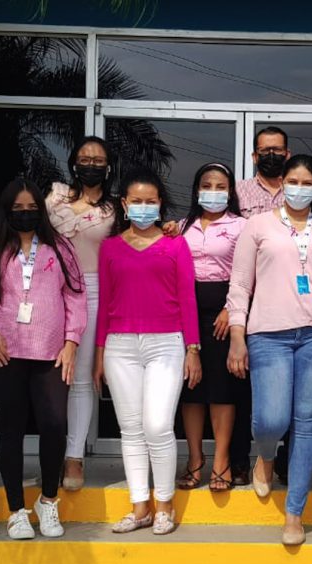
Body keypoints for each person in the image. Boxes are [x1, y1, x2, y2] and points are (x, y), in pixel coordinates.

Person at [227, 154, 312, 546]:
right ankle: (266, 456)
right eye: (293, 181)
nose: (299, 188)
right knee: (271, 419)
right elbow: (240, 284)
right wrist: (237, 334)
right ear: (282, 183)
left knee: (306, 421)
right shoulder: (258, 225)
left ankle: (294, 512)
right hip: (269, 333)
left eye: (307, 182)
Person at [0, 179, 86, 540]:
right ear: (6, 212)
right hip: (3, 352)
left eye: (32, 208)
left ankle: (48, 501)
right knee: (11, 428)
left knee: (54, 425)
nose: (25, 214)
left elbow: (75, 296)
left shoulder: (60, 247)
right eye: (18, 209)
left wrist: (71, 342)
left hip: (51, 352)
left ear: (41, 211)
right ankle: (16, 510)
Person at [93, 168, 201, 535]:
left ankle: (165, 504)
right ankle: (140, 506)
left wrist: (193, 348)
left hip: (166, 343)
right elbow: (105, 301)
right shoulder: (110, 247)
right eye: (136, 201)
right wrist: (99, 352)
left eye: (150, 201)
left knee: (157, 425)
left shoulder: (175, 244)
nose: (143, 207)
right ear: (124, 205)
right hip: (120, 346)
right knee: (131, 429)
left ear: (160, 204)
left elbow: (187, 298)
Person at [46, 136, 115, 490]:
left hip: (93, 291)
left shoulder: (114, 210)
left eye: (98, 160)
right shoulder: (54, 198)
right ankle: (51, 452)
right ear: (73, 163)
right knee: (48, 375)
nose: (91, 164)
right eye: (85, 158)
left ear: (108, 167)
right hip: (48, 288)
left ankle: (74, 457)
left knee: (81, 378)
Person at [176, 163, 248, 492]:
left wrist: (231, 309)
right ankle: (194, 458)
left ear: (230, 192)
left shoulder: (242, 226)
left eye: (221, 187)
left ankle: (221, 460)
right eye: (207, 185)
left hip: (225, 312)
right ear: (196, 189)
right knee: (191, 388)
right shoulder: (182, 226)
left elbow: (250, 273)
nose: (213, 192)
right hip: (187, 311)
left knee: (221, 388)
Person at [231, 125, 291, 486]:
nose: (271, 155)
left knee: (287, 390)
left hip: (285, 300)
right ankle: (240, 460)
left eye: (277, 150)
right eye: (265, 150)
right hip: (245, 298)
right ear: (254, 155)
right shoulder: (238, 192)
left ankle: (283, 460)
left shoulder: (298, 189)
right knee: (242, 385)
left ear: (287, 154)